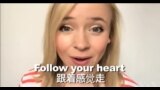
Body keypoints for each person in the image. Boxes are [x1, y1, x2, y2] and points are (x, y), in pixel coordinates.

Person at [19, 3, 138, 87]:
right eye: (66, 28)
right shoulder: (30, 82)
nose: (81, 45)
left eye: (96, 29)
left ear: (110, 36)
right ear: (52, 33)